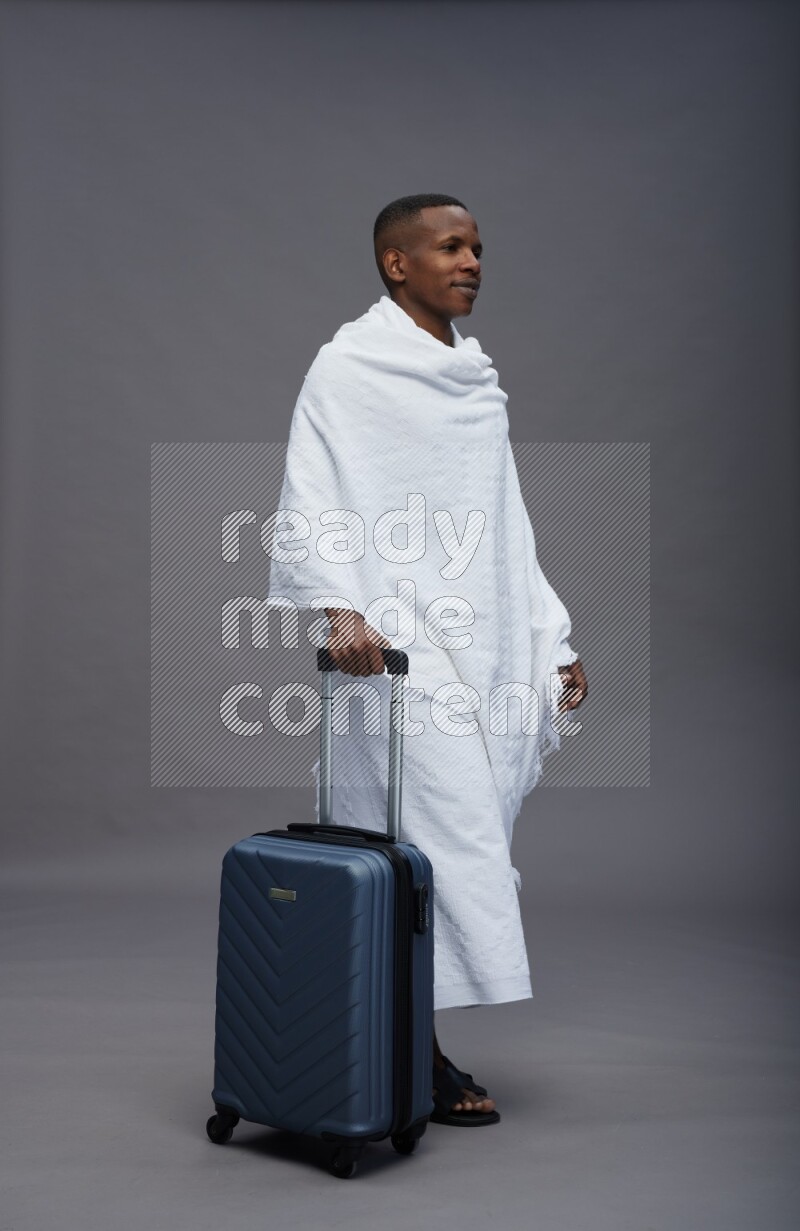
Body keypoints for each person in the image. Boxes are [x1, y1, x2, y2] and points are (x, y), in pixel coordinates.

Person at [267, 193, 588, 1126]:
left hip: (482, 633)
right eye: (451, 246)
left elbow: (505, 524)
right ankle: (422, 1050)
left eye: (479, 247)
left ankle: (393, 1038)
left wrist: (551, 640)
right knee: (439, 839)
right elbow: (311, 488)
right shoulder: (348, 366)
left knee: (456, 832)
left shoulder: (476, 379)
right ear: (396, 264)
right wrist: (338, 607)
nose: (473, 260)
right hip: (393, 647)